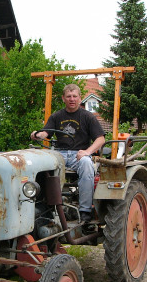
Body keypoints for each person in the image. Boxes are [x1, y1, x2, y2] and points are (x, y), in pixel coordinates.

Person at [31, 84, 105, 222]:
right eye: (69, 96)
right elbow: (46, 133)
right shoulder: (56, 116)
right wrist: (38, 135)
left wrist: (87, 152)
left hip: (79, 154)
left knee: (87, 164)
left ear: (80, 98)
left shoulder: (88, 117)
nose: (72, 99)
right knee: (41, 165)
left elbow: (101, 139)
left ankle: (85, 211)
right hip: (60, 154)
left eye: (75, 96)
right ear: (63, 98)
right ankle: (44, 209)